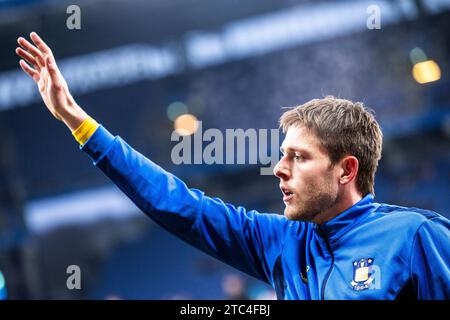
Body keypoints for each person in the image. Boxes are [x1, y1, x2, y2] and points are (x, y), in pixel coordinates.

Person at [15, 32, 450, 300]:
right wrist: (76, 119)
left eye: (298, 157)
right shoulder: (280, 241)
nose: (279, 169)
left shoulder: (416, 238)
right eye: (283, 155)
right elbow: (178, 205)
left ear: (346, 170)